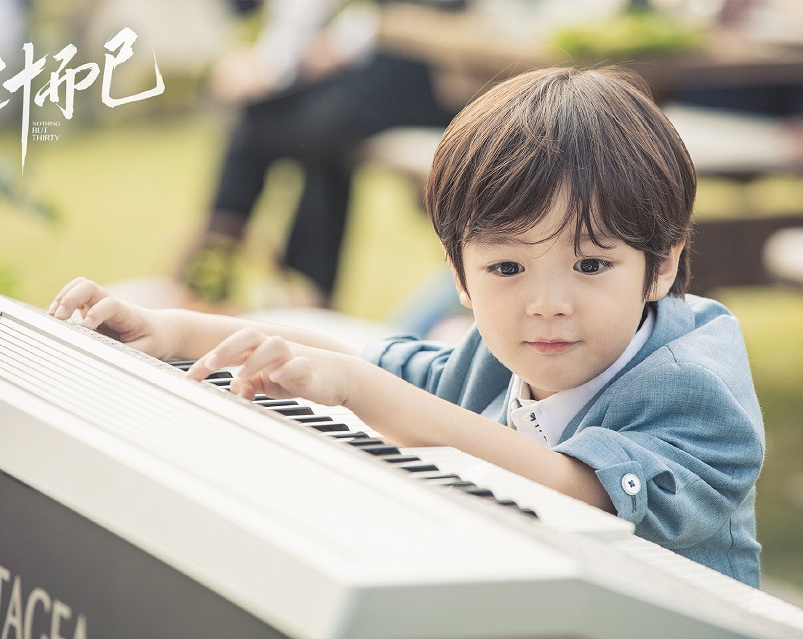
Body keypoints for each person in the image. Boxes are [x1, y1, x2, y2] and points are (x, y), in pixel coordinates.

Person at [50, 66, 765, 587]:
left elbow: (574, 486)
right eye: (507, 269)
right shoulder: (493, 353)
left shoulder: (696, 387)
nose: (548, 303)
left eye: (590, 264)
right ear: (459, 275)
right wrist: (171, 329)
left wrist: (361, 389)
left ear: (662, 265)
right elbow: (366, 358)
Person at [181, 0, 455, 306]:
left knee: (298, 133)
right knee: (265, 124)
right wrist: (262, 62)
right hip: (339, 80)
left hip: (419, 71)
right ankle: (269, 273)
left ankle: (220, 257)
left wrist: (279, 64)